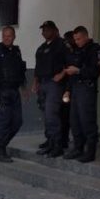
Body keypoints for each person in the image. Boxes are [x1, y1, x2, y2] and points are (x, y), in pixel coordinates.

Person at [63, 26, 100, 163]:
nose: (77, 42)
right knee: (74, 120)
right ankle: (78, 148)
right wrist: (68, 90)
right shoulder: (76, 51)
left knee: (87, 120)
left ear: (86, 36)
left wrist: (79, 71)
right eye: (75, 39)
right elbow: (72, 73)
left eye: (79, 39)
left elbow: (96, 71)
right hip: (75, 88)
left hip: (87, 88)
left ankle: (90, 151)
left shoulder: (96, 50)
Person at [0, 25, 27, 163]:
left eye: (9, 36)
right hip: (2, 92)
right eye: (4, 36)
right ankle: (1, 151)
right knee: (4, 122)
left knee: (18, 122)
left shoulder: (16, 51)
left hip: (14, 91)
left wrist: (23, 88)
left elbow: (20, 71)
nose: (6, 38)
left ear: (14, 36)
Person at [33, 21, 69, 157]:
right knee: (46, 115)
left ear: (55, 30)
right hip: (43, 83)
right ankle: (50, 142)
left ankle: (57, 145)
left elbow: (70, 62)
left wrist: (62, 74)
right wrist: (35, 82)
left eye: (47, 30)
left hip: (54, 84)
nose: (44, 32)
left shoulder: (62, 45)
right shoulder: (41, 48)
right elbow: (37, 67)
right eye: (43, 30)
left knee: (51, 114)